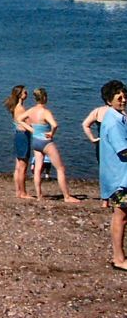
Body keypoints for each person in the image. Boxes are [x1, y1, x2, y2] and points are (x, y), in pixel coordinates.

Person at [83, 81, 127, 271]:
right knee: (121, 215)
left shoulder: (119, 117)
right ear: (109, 100)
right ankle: (118, 258)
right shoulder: (113, 121)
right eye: (119, 97)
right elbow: (124, 151)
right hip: (119, 179)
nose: (123, 100)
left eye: (125, 96)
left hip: (120, 176)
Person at [25, 87, 80, 202]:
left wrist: (31, 129)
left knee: (38, 169)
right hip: (45, 142)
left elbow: (19, 119)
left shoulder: (31, 110)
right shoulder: (45, 112)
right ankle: (66, 196)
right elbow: (54, 125)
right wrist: (51, 133)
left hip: (35, 141)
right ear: (44, 97)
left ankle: (39, 195)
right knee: (60, 168)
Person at [11, 85, 35, 199]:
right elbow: (26, 124)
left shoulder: (16, 107)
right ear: (20, 95)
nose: (27, 94)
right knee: (23, 166)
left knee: (18, 166)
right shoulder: (20, 108)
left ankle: (18, 191)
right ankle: (23, 192)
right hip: (23, 136)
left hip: (18, 135)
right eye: (25, 92)